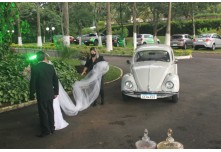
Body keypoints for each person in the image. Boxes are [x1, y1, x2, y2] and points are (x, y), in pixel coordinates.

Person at [29, 51, 59, 138]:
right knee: (50, 110)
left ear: (37, 58)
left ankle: (46, 130)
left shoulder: (35, 68)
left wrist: (32, 93)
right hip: (50, 92)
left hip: (41, 93)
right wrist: (56, 92)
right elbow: (55, 80)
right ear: (44, 57)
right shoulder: (50, 67)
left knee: (43, 112)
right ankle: (52, 128)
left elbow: (33, 82)